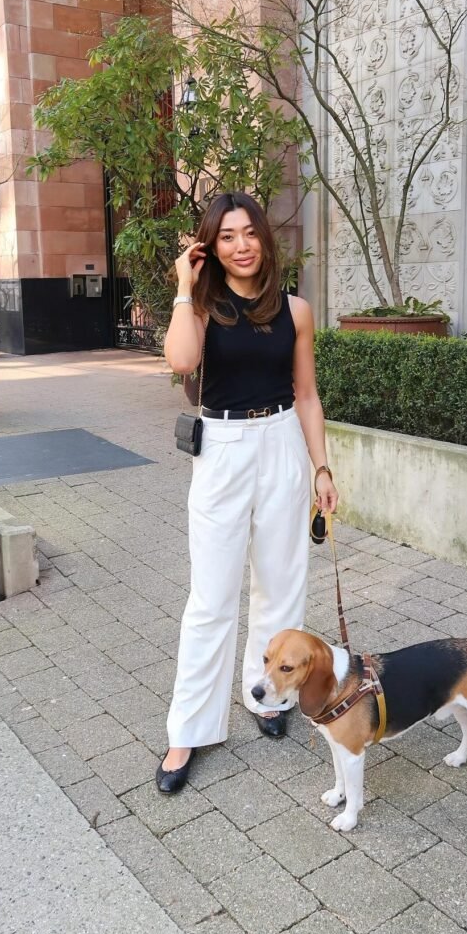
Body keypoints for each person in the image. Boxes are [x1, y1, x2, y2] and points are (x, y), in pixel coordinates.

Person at [157, 192, 339, 794]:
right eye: (227, 236)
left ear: (265, 238)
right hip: (225, 449)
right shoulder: (205, 308)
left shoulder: (296, 310)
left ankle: (269, 696)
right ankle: (188, 728)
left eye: (250, 233)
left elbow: (307, 394)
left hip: (283, 439)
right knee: (211, 598)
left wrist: (321, 467)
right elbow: (180, 361)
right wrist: (186, 284)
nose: (241, 245)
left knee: (282, 582)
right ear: (212, 246)